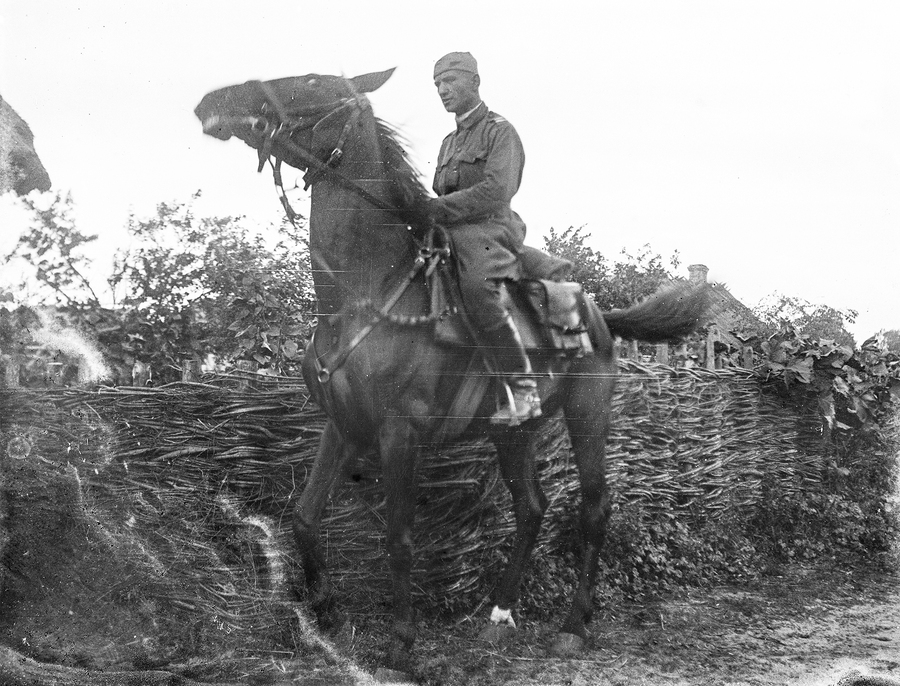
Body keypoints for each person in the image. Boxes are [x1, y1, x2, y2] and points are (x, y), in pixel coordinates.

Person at [428, 51, 541, 426]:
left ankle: (524, 389)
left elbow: (497, 190)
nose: (442, 90)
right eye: (437, 84)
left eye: (450, 82)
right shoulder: (448, 141)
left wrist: (438, 210)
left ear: (474, 82)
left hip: (491, 229)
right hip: (450, 230)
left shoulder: (500, 131)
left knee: (478, 287)